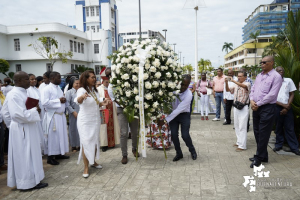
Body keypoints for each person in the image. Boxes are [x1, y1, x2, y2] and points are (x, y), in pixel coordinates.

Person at [1, 71, 48, 190]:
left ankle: (35, 179)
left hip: (27, 127)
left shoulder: (24, 92)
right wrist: (14, 126)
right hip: (22, 128)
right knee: (25, 156)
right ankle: (26, 183)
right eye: (27, 79)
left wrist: (11, 125)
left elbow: (5, 112)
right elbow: (17, 114)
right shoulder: (14, 94)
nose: (30, 81)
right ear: (19, 81)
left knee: (32, 154)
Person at [75, 70, 110, 178]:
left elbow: (95, 103)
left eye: (95, 77)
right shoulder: (81, 90)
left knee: (94, 141)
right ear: (85, 79)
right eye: (92, 77)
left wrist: (102, 102)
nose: (94, 79)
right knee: (86, 142)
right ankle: (86, 167)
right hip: (85, 121)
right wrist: (82, 97)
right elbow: (78, 100)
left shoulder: (93, 90)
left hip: (95, 120)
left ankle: (93, 161)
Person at [249, 56, 282, 168]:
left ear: (271, 63)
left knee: (263, 133)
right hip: (256, 107)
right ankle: (264, 156)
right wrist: (252, 100)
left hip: (267, 108)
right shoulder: (259, 75)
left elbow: (272, 95)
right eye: (261, 62)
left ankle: (259, 158)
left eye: (264, 62)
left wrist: (258, 104)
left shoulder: (276, 77)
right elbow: (253, 89)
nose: (262, 64)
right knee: (257, 132)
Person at [158, 75, 197, 161]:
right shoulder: (173, 90)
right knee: (174, 135)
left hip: (184, 115)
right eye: (182, 84)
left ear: (189, 85)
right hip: (173, 115)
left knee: (185, 135)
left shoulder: (189, 95)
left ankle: (192, 151)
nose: (183, 87)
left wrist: (165, 120)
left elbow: (179, 109)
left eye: (186, 85)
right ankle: (179, 153)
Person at [106, 67, 139, 164]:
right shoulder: (111, 86)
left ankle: (134, 149)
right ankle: (124, 154)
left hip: (132, 108)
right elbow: (115, 99)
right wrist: (126, 106)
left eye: (111, 73)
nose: (110, 76)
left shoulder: (125, 80)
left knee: (134, 131)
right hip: (121, 109)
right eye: (108, 75)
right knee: (124, 133)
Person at [41, 71, 69, 165]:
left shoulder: (58, 88)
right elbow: (44, 103)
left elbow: (61, 99)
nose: (60, 80)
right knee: (53, 137)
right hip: (53, 116)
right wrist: (58, 100)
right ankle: (50, 157)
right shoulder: (47, 89)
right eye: (59, 78)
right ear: (52, 78)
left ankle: (59, 153)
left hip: (60, 116)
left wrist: (63, 100)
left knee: (61, 136)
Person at [273, 67, 300, 155]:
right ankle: (278, 145)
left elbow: (292, 94)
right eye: (278, 71)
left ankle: (294, 147)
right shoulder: (272, 82)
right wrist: (283, 106)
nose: (280, 72)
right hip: (276, 107)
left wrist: (287, 107)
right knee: (278, 127)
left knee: (290, 128)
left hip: (287, 108)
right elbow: (271, 97)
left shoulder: (288, 81)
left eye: (282, 70)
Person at [225, 71, 251, 152]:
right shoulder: (235, 84)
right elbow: (228, 90)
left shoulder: (247, 83)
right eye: (238, 76)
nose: (239, 77)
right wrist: (226, 83)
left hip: (243, 107)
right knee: (236, 125)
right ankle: (239, 141)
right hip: (236, 106)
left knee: (242, 126)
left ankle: (243, 145)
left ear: (245, 77)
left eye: (241, 76)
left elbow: (243, 86)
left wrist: (233, 80)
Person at [98, 68, 120, 152]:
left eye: (108, 82)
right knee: (103, 127)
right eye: (106, 82)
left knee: (113, 125)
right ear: (103, 81)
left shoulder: (112, 88)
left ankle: (112, 143)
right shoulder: (99, 89)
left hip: (112, 110)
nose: (108, 83)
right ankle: (104, 144)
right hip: (103, 110)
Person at [27, 74, 44, 153]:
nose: (34, 81)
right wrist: (36, 108)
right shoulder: (28, 90)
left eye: (35, 79)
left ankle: (41, 149)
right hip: (33, 114)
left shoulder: (36, 89)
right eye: (32, 79)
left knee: (40, 132)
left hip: (40, 113)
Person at [65, 77, 81, 152]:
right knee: (73, 129)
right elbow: (67, 104)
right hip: (73, 113)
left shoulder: (81, 91)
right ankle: (74, 145)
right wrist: (73, 112)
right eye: (76, 83)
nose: (78, 85)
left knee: (80, 129)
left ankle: (80, 145)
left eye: (79, 83)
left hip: (81, 112)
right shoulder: (69, 92)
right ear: (72, 84)